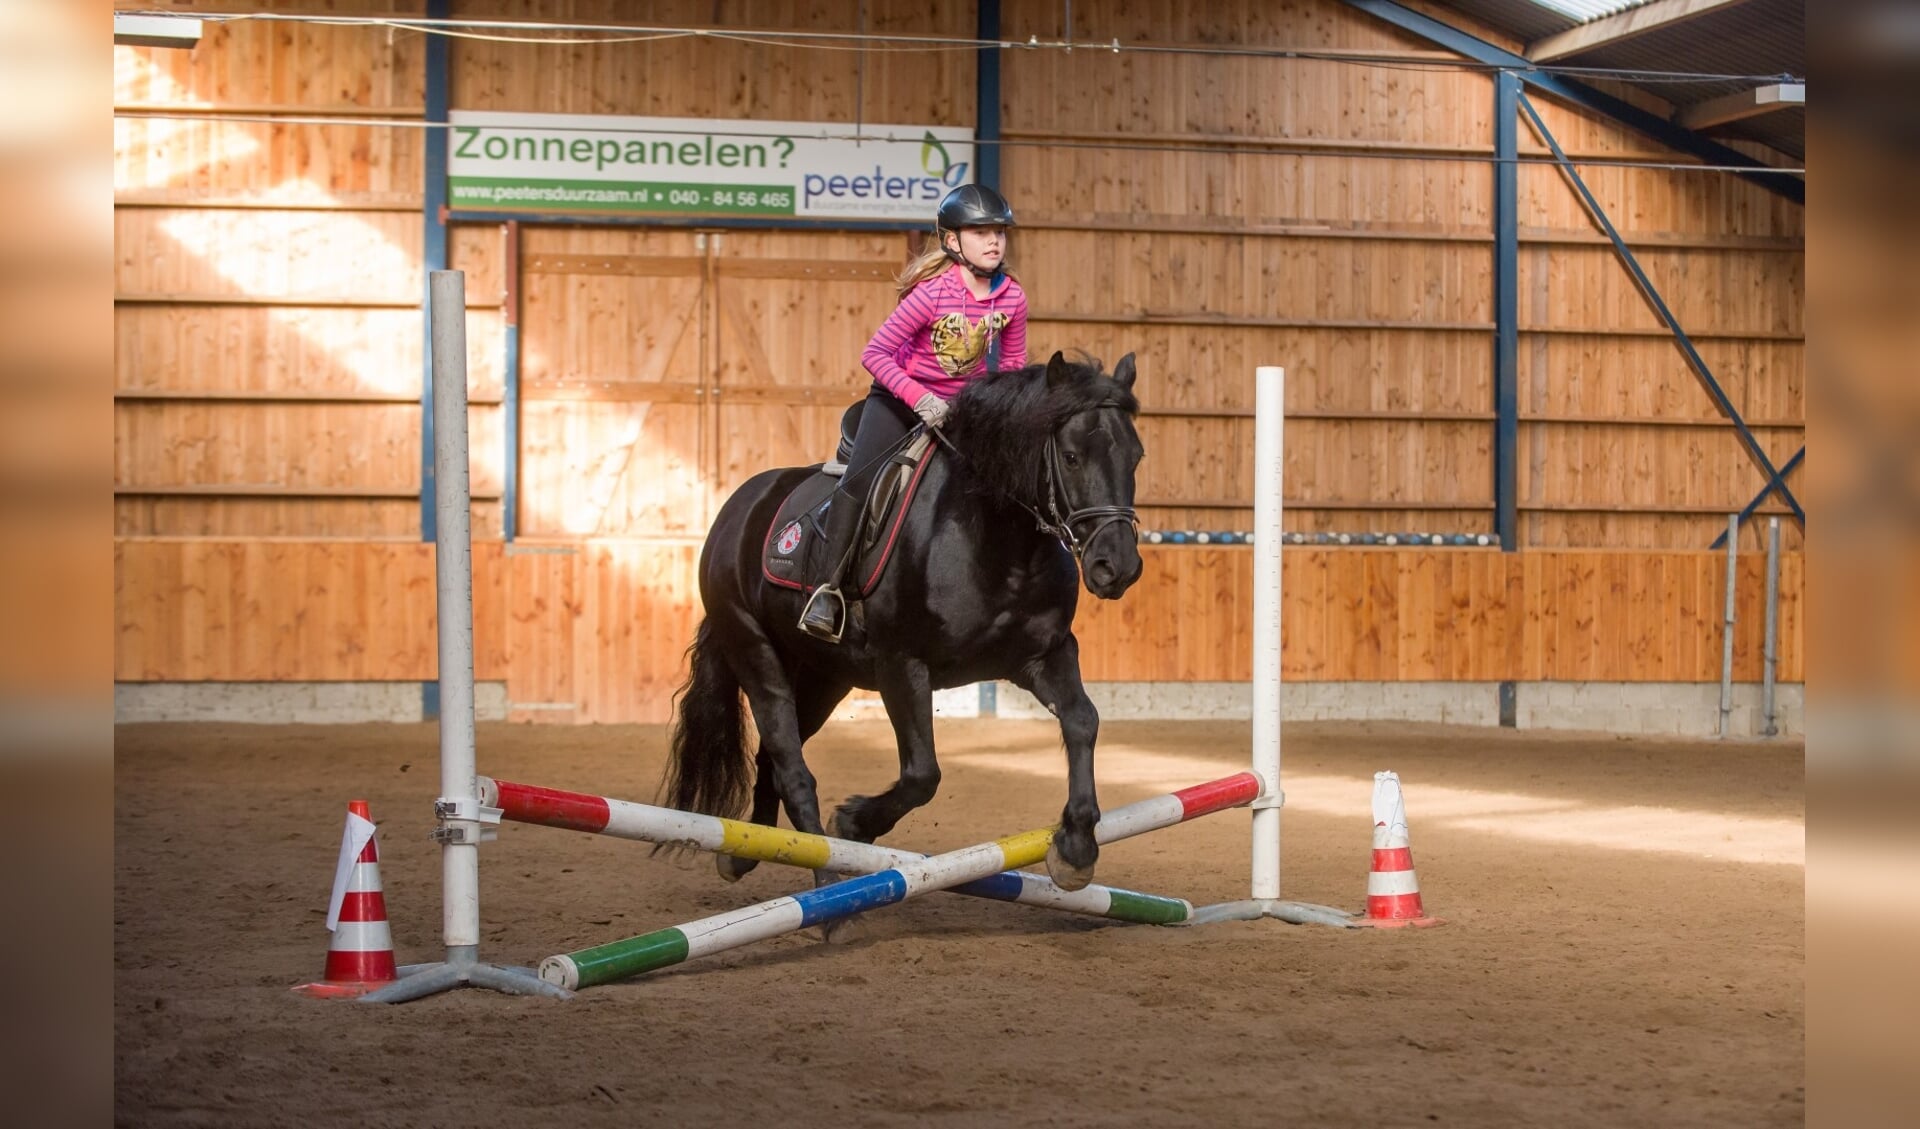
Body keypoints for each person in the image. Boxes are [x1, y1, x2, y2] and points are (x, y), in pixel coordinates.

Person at [797, 183, 1029, 641]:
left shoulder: (1012, 298)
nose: (994, 241)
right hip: (901, 400)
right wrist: (921, 399)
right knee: (860, 480)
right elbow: (876, 353)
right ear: (951, 241)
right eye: (980, 232)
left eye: (999, 232)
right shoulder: (929, 295)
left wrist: (1002, 416)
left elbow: (1014, 368)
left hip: (966, 411)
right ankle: (828, 590)